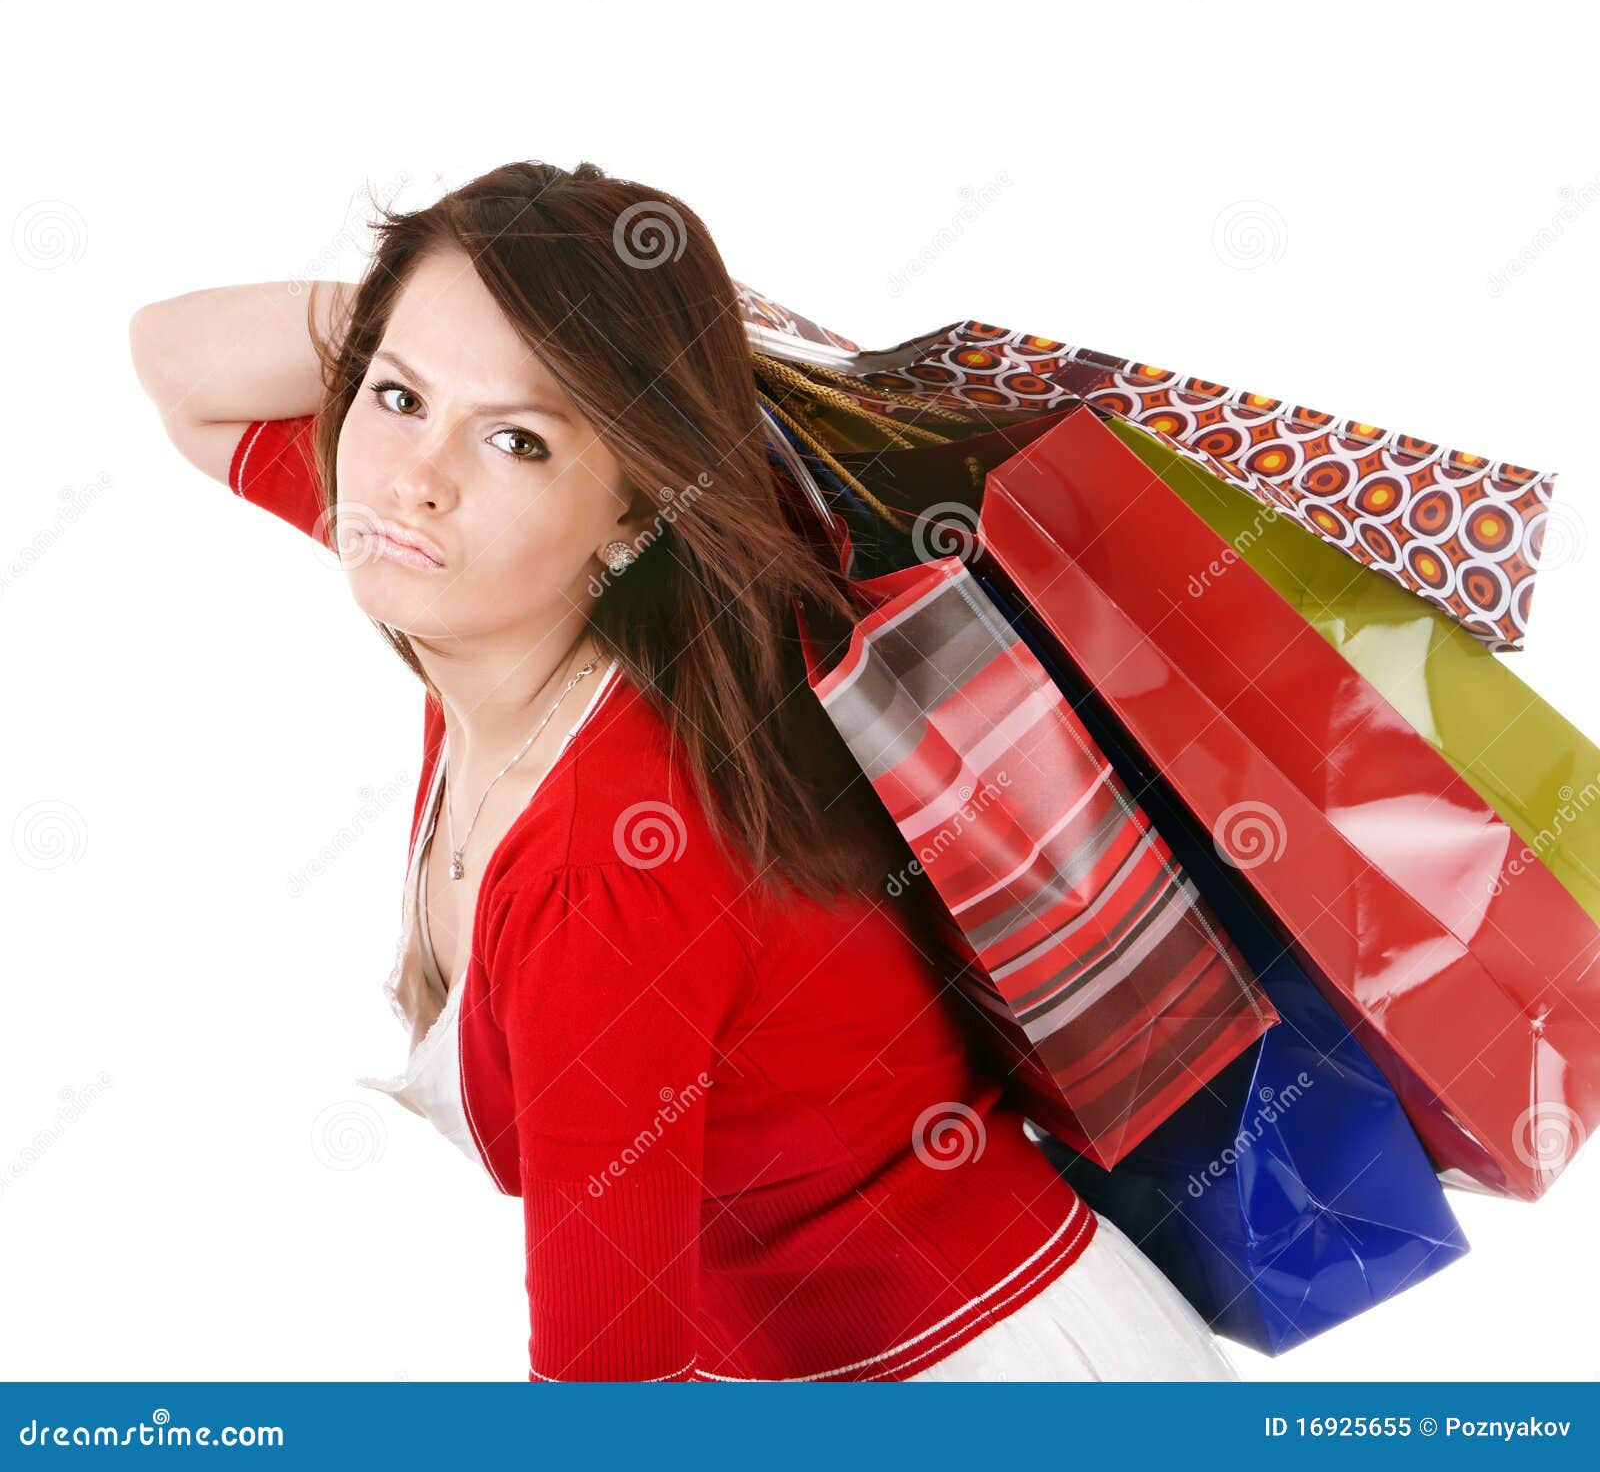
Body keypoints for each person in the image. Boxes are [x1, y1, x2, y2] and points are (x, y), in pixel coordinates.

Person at [128, 158, 1237, 1384]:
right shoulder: (493, 585)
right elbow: (177, 369)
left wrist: (479, 339)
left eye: (519, 438)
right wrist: (476, 312)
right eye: (394, 397)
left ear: (627, 509)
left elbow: (612, 1405)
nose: (416, 475)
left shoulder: (608, 870)